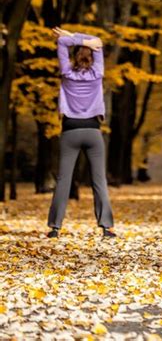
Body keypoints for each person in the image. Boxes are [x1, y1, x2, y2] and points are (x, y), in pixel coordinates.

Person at [47, 27, 115, 238]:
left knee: (63, 180)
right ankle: (106, 227)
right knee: (99, 180)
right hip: (93, 132)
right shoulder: (98, 74)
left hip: (70, 131)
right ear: (92, 58)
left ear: (75, 58)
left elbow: (61, 44)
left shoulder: (66, 74)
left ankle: (55, 228)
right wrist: (85, 41)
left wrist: (70, 38)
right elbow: (98, 41)